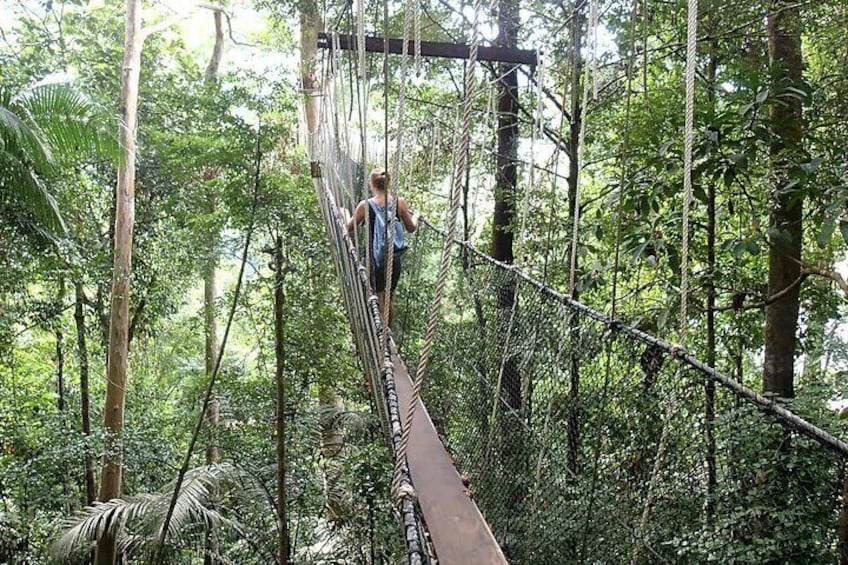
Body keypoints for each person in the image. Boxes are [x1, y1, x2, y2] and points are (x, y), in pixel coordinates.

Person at [346, 171, 418, 326]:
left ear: (371, 184)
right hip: (394, 258)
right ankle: (386, 334)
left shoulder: (365, 205)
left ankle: (377, 329)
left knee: (377, 294)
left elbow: (349, 228)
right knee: (388, 296)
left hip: (374, 258)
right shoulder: (400, 202)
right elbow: (411, 228)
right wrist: (416, 216)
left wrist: (344, 213)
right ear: (388, 183)